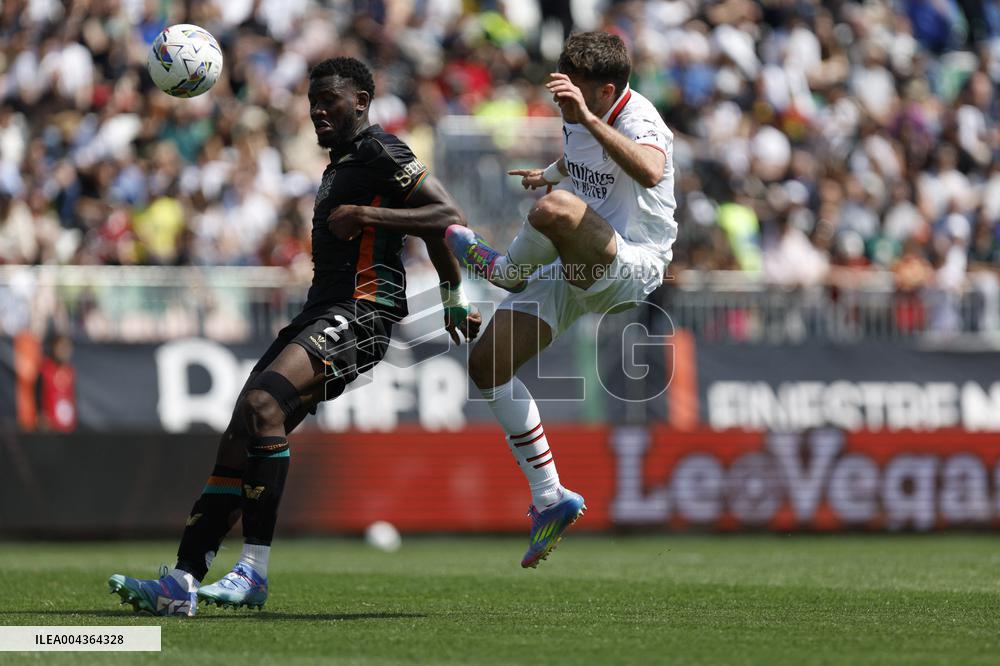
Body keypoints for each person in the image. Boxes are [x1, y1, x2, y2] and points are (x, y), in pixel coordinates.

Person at [109, 57, 481, 616]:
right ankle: (182, 583)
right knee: (243, 428)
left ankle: (252, 572)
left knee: (262, 404)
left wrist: (373, 223)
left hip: (365, 312)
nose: (318, 111)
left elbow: (446, 215)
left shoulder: (383, 151)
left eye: (330, 100)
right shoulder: (339, 164)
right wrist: (449, 291)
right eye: (313, 102)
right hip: (321, 310)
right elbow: (427, 224)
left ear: (361, 101)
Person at [446, 32, 676, 568]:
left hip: (632, 265)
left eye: (574, 91)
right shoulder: (580, 112)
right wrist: (548, 172)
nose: (560, 99)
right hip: (577, 264)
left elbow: (649, 170)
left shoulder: (640, 119)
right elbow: (585, 160)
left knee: (557, 210)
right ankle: (550, 498)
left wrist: (586, 125)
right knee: (486, 366)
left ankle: (503, 270)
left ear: (608, 90)